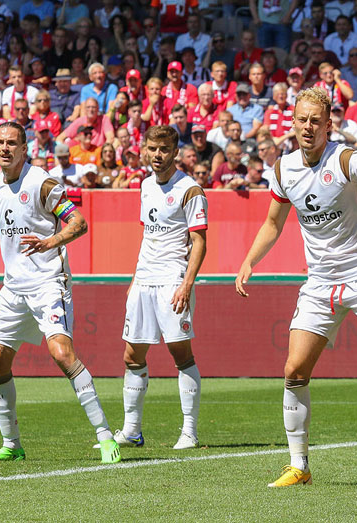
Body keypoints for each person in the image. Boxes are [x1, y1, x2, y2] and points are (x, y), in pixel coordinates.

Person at [235, 86, 357, 487]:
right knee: (294, 370)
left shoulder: (347, 159)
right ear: (292, 122)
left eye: (316, 120)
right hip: (320, 282)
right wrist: (249, 261)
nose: (308, 127)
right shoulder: (283, 168)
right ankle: (299, 465)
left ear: (329, 125)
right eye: (302, 119)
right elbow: (274, 223)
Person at [0, 122, 120, 464]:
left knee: (61, 354)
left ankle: (106, 436)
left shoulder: (41, 182)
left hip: (48, 282)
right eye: (0, 142)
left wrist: (49, 242)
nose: (5, 148)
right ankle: (12, 444)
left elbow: (78, 223)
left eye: (12, 143)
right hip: (13, 288)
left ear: (25, 149)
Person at [114, 125, 207, 450]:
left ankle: (189, 432)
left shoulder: (190, 189)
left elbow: (199, 242)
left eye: (164, 149)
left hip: (172, 280)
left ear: (175, 151)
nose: (157, 155)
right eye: (152, 149)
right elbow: (147, 237)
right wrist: (133, 281)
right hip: (144, 280)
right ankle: (132, 430)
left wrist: (186, 283)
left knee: (180, 353)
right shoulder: (145, 186)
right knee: (131, 354)